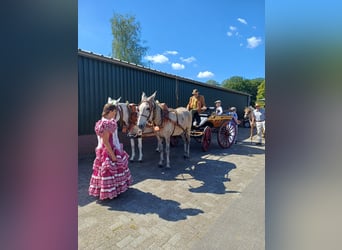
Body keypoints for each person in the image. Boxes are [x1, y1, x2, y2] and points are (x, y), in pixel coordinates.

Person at [89, 103, 133, 200]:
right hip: (109, 151)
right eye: (115, 111)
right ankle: (110, 192)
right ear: (111, 111)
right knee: (109, 170)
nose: (115, 113)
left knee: (110, 171)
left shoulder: (104, 122)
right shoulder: (106, 124)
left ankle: (115, 189)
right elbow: (105, 142)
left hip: (111, 148)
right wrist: (113, 155)